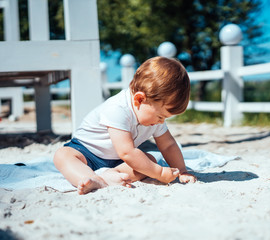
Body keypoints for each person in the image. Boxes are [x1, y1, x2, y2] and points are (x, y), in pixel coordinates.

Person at [53, 56, 197, 195]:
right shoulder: (118, 108)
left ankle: (112, 175)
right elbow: (127, 152)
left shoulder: (154, 116)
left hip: (119, 162)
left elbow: (168, 145)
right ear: (140, 99)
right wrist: (158, 173)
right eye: (161, 116)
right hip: (85, 152)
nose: (161, 121)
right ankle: (94, 180)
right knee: (62, 155)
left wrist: (182, 170)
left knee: (150, 160)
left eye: (165, 118)